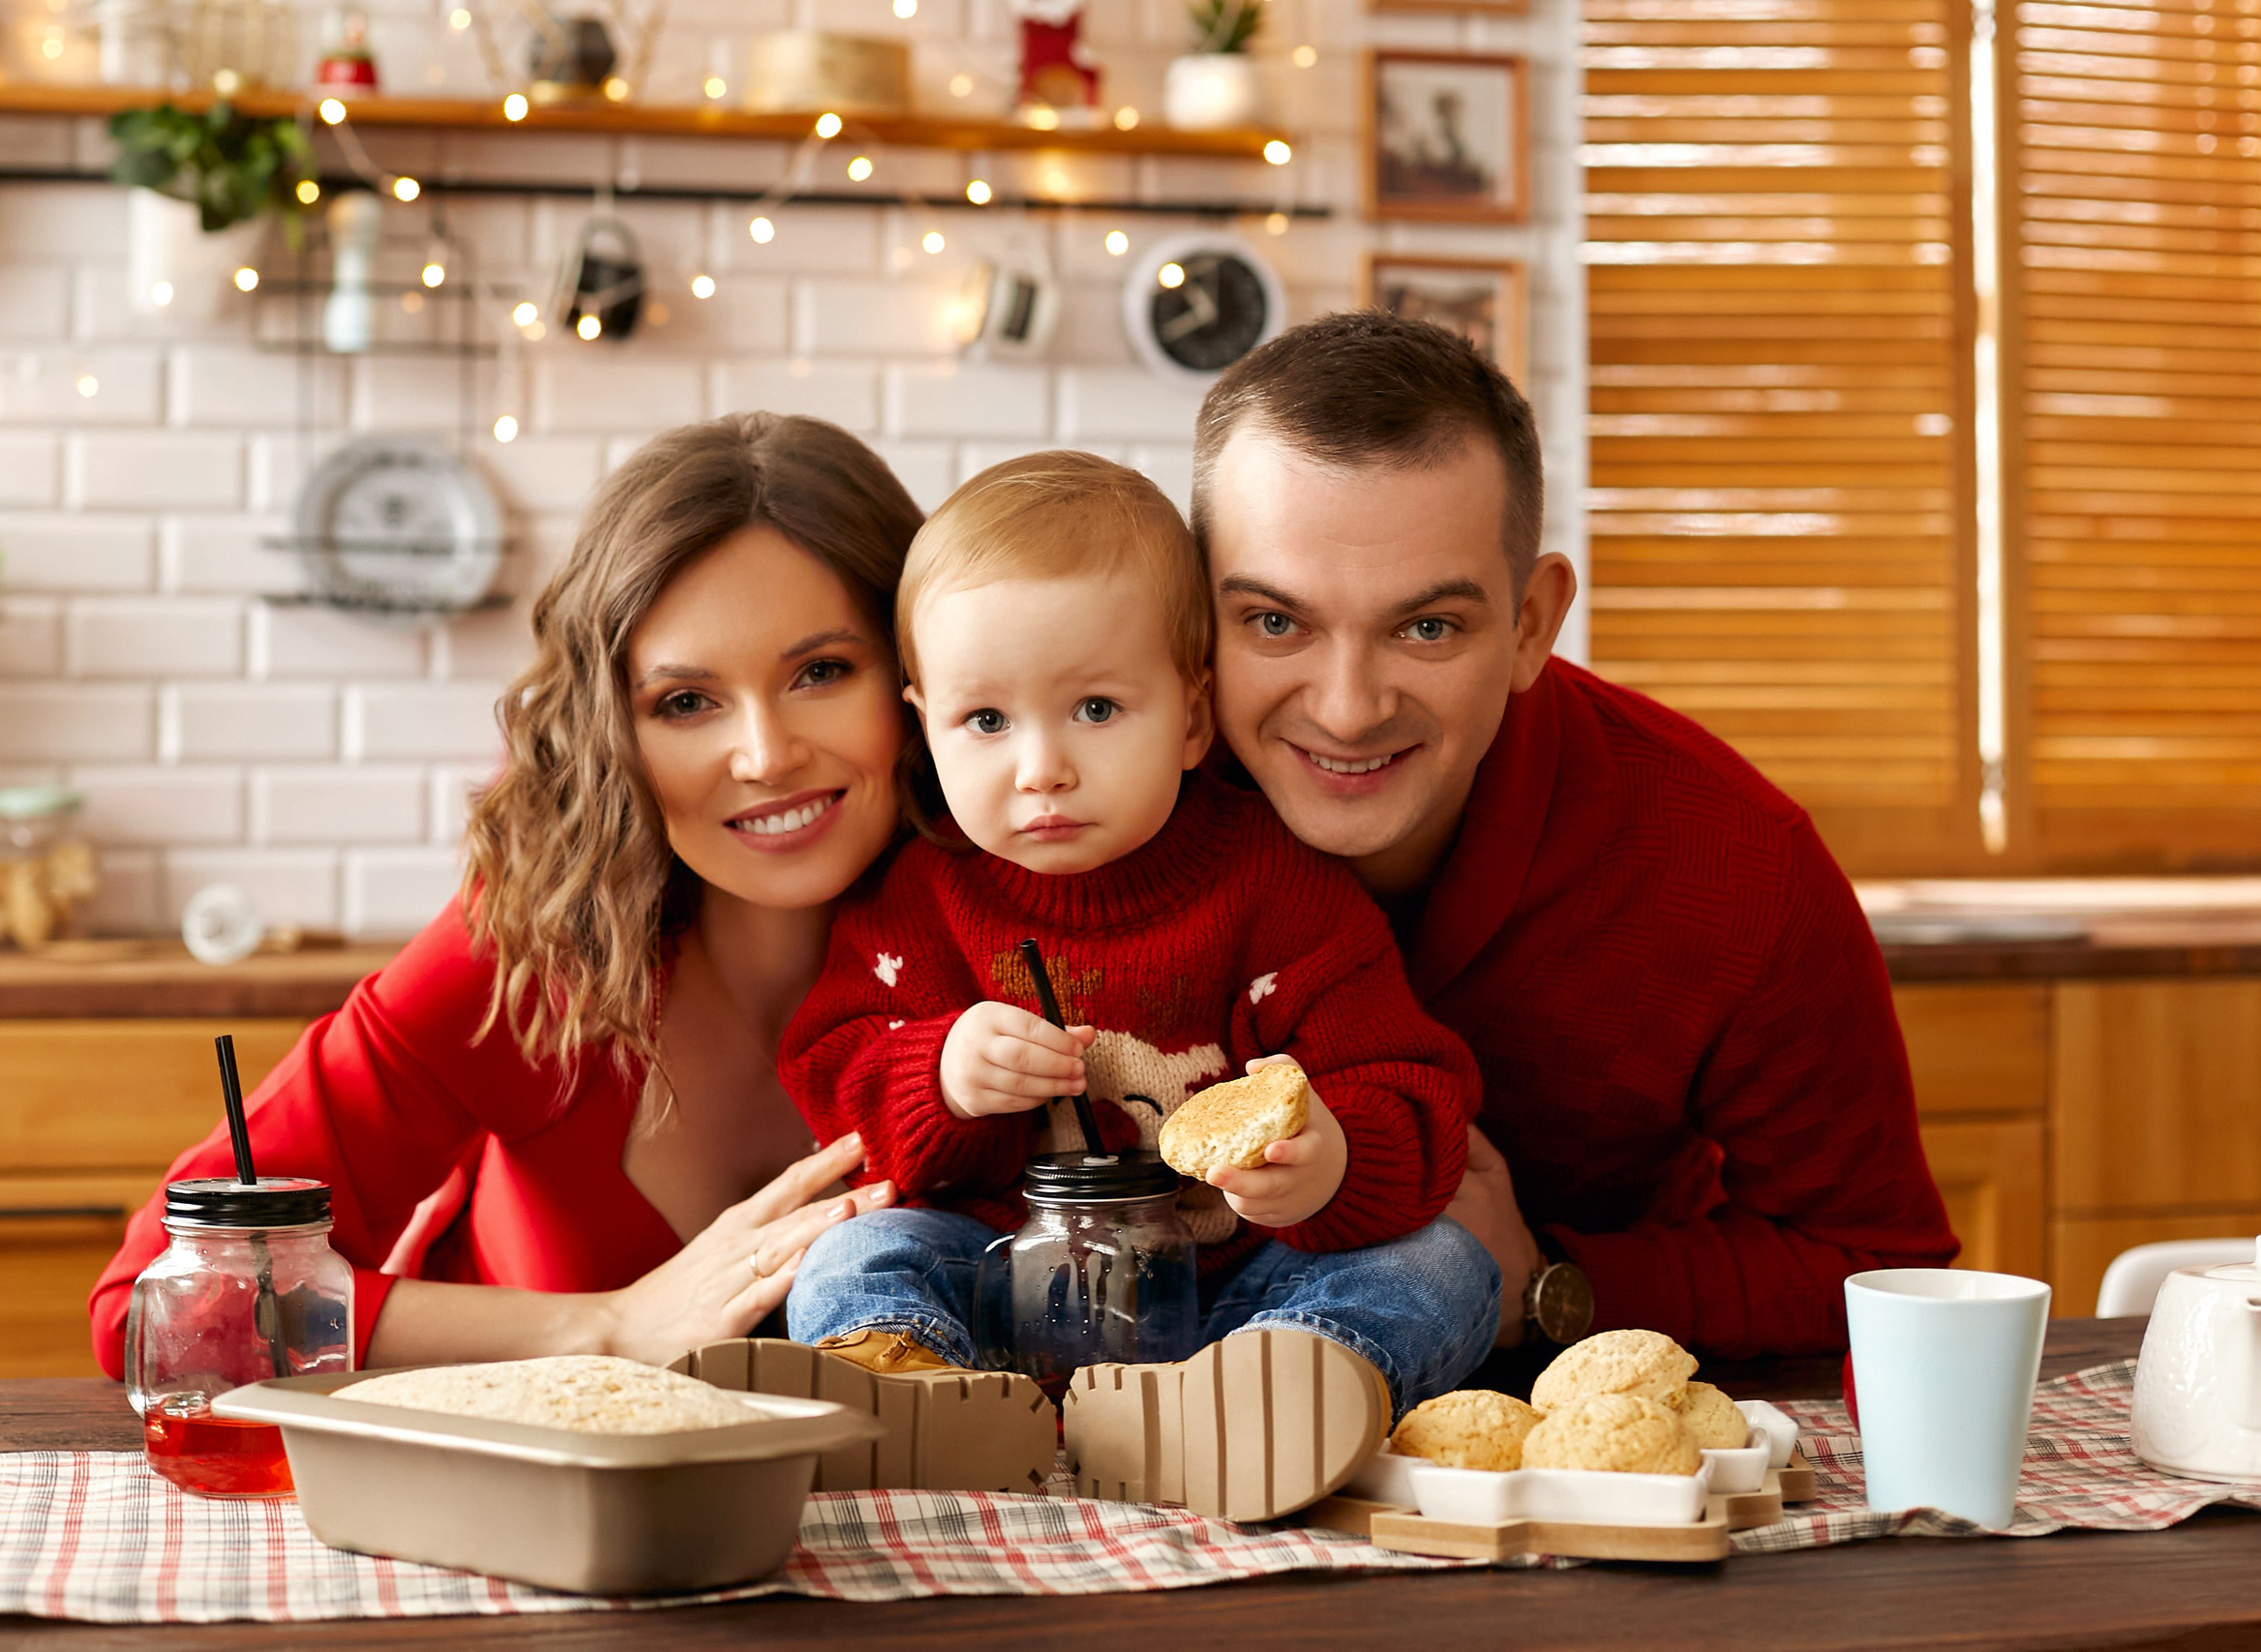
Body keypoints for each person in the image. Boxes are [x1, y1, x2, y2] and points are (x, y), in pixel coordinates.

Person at [90, 413, 936, 1392]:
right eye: (684, 702)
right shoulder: (528, 956)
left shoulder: (1040, 941)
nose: (764, 755)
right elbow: (155, 1306)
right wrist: (609, 1327)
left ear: (920, 675)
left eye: (821, 672)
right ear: (608, 726)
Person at [1193, 312, 1959, 1360]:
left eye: (1427, 628)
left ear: (1529, 624)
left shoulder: (1736, 864)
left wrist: (1556, 1286)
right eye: (1275, 622)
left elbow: (1883, 1264)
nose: (1347, 708)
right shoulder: (1090, 809)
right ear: (1198, 619)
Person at [774, 452, 1499, 1520]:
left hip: (1242, 1297)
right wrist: (940, 1075)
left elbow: (1406, 1078)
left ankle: (1278, 1395)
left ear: (1194, 717)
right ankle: (909, 1395)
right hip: (1001, 1293)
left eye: (1098, 709)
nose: (1041, 768)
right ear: (922, 721)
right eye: (986, 722)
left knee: (1445, 1262)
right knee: (853, 1251)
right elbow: (833, 1076)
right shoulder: (918, 902)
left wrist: (1332, 1160)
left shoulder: (1278, 888)